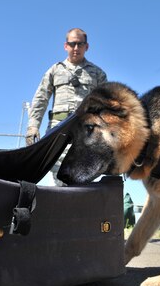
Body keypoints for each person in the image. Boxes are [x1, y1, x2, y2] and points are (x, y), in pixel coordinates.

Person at [26, 28, 107, 184]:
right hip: (59, 130)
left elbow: (105, 106)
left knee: (81, 176)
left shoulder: (98, 74)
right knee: (58, 176)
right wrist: (33, 126)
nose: (76, 48)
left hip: (85, 132)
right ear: (66, 46)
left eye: (80, 44)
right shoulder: (55, 70)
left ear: (86, 47)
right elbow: (41, 99)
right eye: (72, 44)